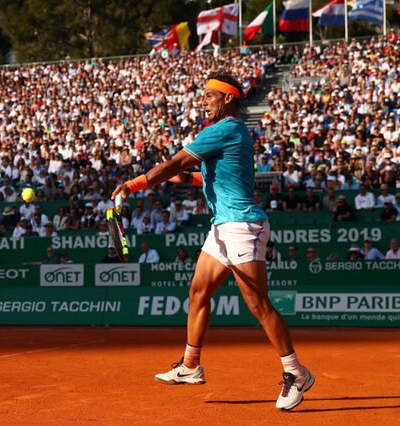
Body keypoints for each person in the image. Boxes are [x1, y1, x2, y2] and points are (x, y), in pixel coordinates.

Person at [112, 72, 312, 411]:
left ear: (228, 98)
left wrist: (135, 184)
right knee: (198, 292)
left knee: (258, 304)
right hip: (221, 228)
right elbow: (194, 174)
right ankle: (191, 366)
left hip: (243, 226)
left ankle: (296, 372)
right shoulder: (231, 134)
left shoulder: (225, 129)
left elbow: (176, 162)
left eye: (209, 95)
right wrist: (171, 176)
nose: (203, 100)